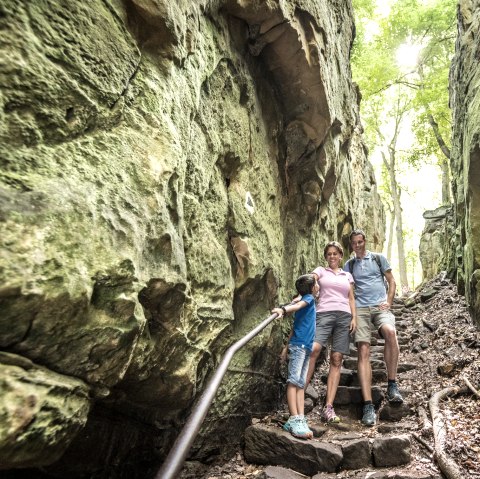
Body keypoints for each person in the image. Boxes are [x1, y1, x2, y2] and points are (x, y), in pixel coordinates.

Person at [344, 229, 403, 427]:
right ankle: (368, 404)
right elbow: (348, 292)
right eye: (354, 243)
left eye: (360, 242)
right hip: (360, 308)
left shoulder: (378, 258)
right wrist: (351, 314)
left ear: (365, 241)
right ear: (351, 245)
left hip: (380, 305)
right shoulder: (349, 265)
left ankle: (392, 385)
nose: (358, 245)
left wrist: (389, 301)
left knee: (391, 332)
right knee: (363, 349)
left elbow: (391, 280)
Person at [304, 241, 357, 423]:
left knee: (336, 359)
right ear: (326, 257)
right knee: (314, 349)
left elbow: (351, 297)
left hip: (344, 317)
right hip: (324, 314)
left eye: (335, 253)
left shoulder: (347, 275)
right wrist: (314, 285)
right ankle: (300, 392)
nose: (332, 256)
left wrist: (354, 318)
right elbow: (311, 279)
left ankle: (328, 407)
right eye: (329, 254)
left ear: (341, 256)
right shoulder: (321, 271)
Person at [272, 274, 319, 439]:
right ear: (312, 288)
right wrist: (283, 310)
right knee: (293, 382)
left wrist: (286, 348)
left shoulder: (306, 300)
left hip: (304, 347)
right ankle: (294, 418)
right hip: (299, 347)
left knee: (300, 383)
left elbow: (295, 325)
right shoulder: (309, 299)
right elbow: (297, 306)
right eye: (317, 283)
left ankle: (300, 417)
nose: (318, 285)